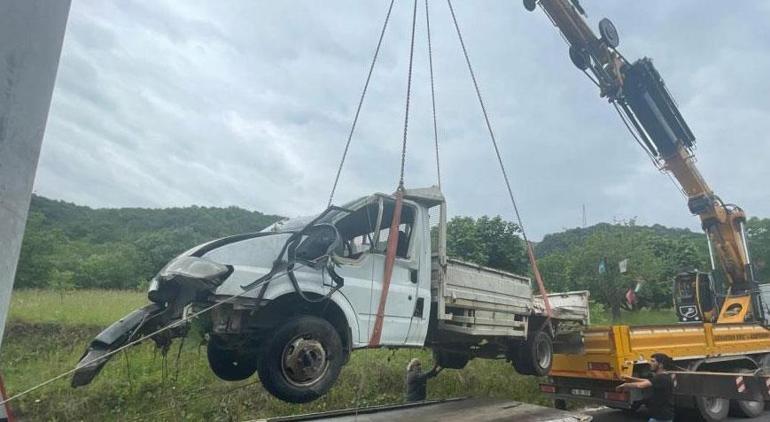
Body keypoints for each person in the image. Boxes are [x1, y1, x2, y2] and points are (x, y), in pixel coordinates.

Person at [616, 352, 675, 422]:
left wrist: (625, 385)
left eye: (653, 361)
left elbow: (640, 385)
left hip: (662, 417)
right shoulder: (662, 377)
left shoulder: (661, 378)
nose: (650, 363)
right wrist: (630, 378)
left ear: (661, 365)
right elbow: (647, 381)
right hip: (660, 416)